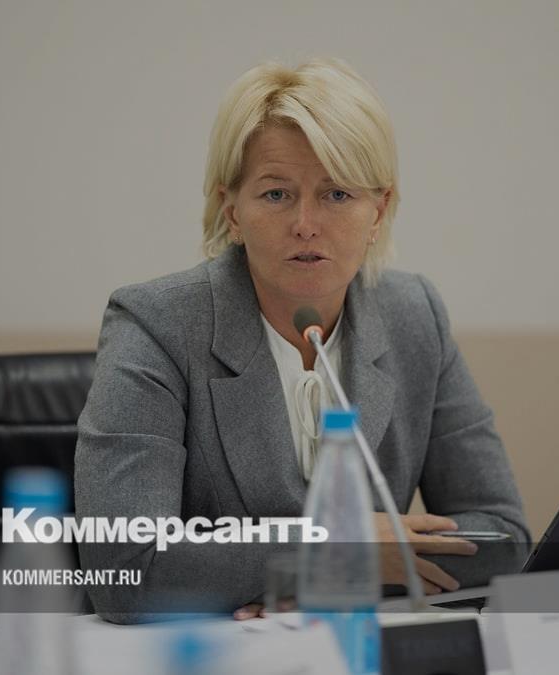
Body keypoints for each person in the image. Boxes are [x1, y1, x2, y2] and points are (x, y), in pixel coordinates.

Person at [75, 58, 529, 624]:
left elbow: (503, 538)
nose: (306, 223)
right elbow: (123, 566)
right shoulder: (158, 324)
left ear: (378, 211)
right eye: (276, 194)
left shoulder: (414, 316)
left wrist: (323, 580)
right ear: (231, 211)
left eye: (337, 194)